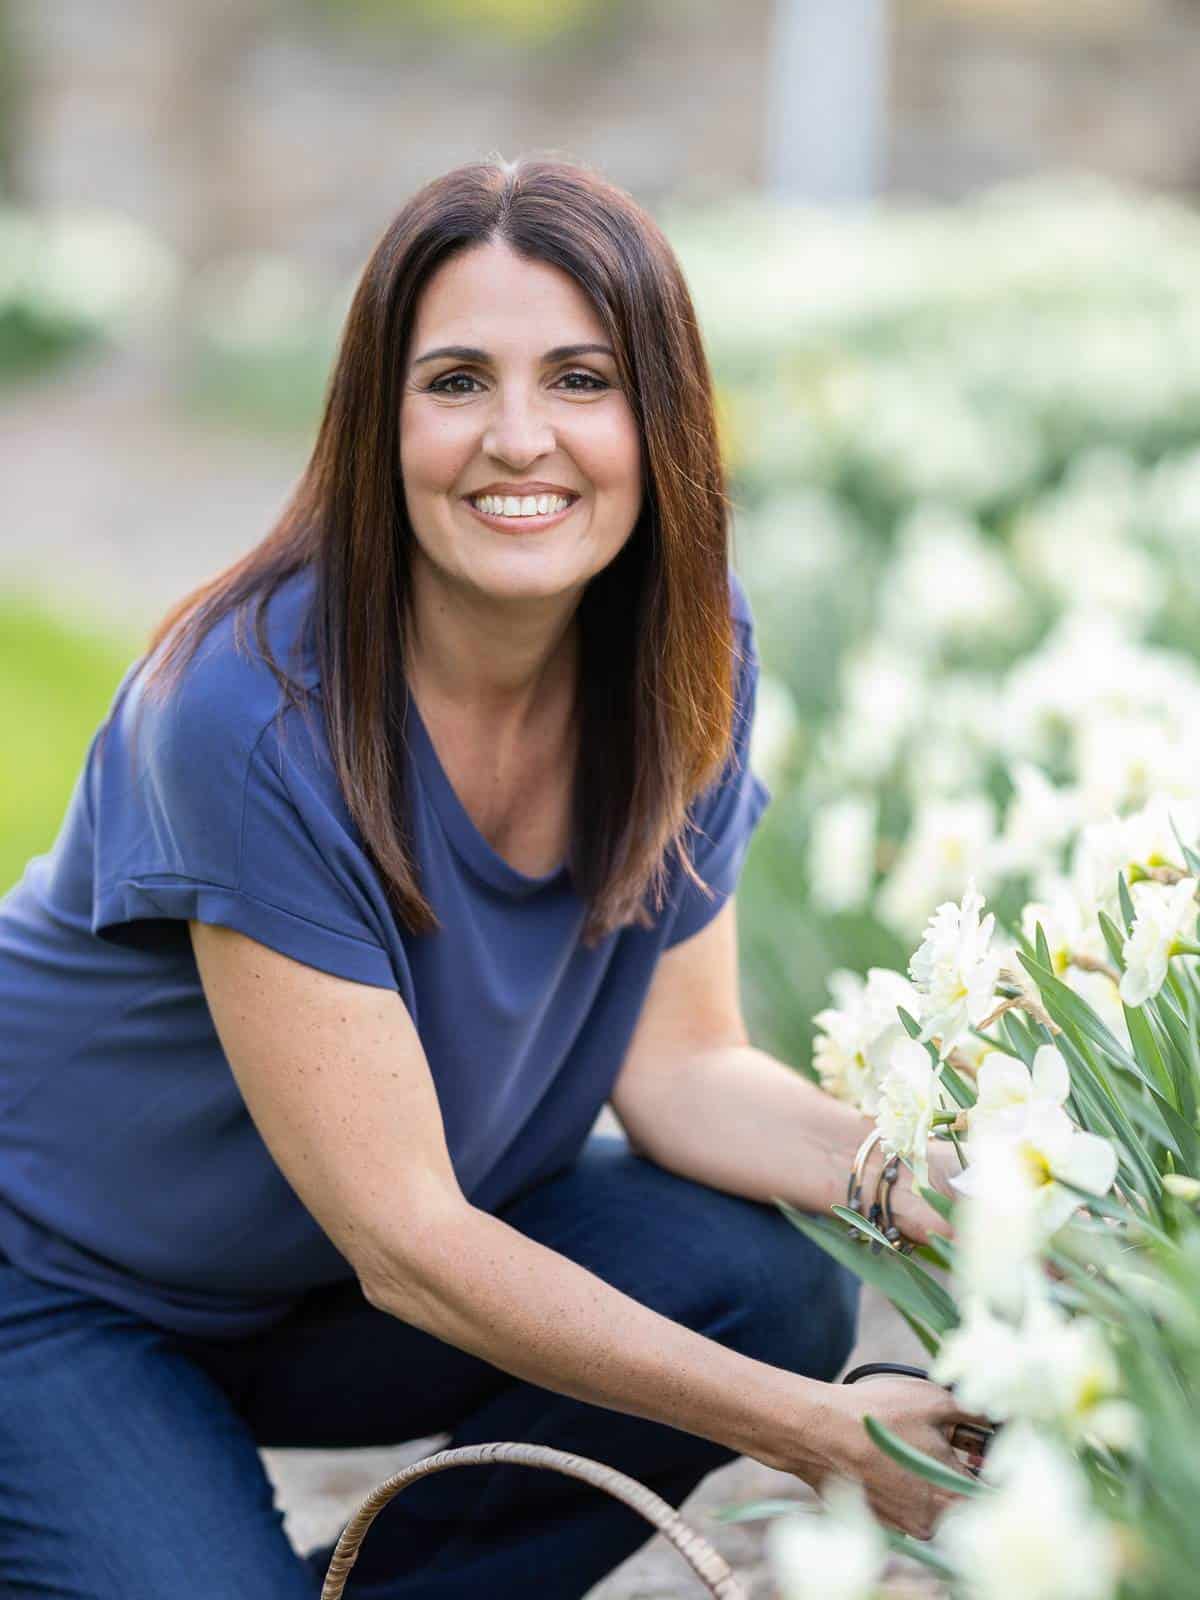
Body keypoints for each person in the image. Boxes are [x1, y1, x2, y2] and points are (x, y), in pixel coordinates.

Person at [0, 156, 981, 1598]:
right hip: (64, 1297)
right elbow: (410, 1238)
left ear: (661, 417)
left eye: (582, 380)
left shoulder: (681, 650)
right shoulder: (245, 712)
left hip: (326, 1298)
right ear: (376, 423)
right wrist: (820, 1434)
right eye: (456, 381)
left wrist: (952, 1195)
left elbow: (686, 1071)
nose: (520, 439)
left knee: (761, 1276)